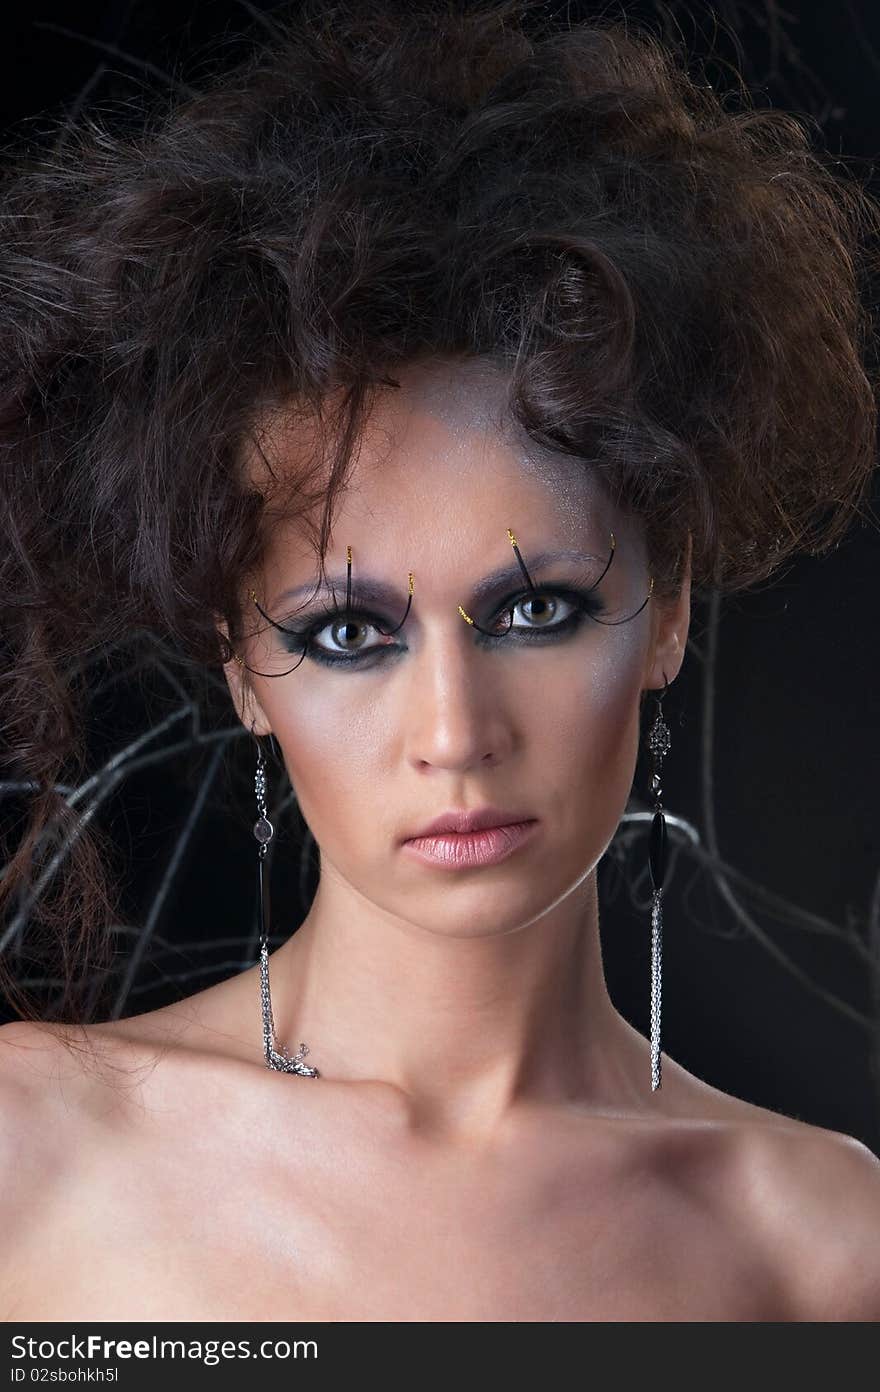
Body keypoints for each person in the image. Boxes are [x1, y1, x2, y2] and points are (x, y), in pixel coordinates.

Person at [1, 0, 879, 1323]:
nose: (455, 732)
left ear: (672, 608)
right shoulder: (30, 1149)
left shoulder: (820, 1249)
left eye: (535, 614)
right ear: (240, 661)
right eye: (348, 634)